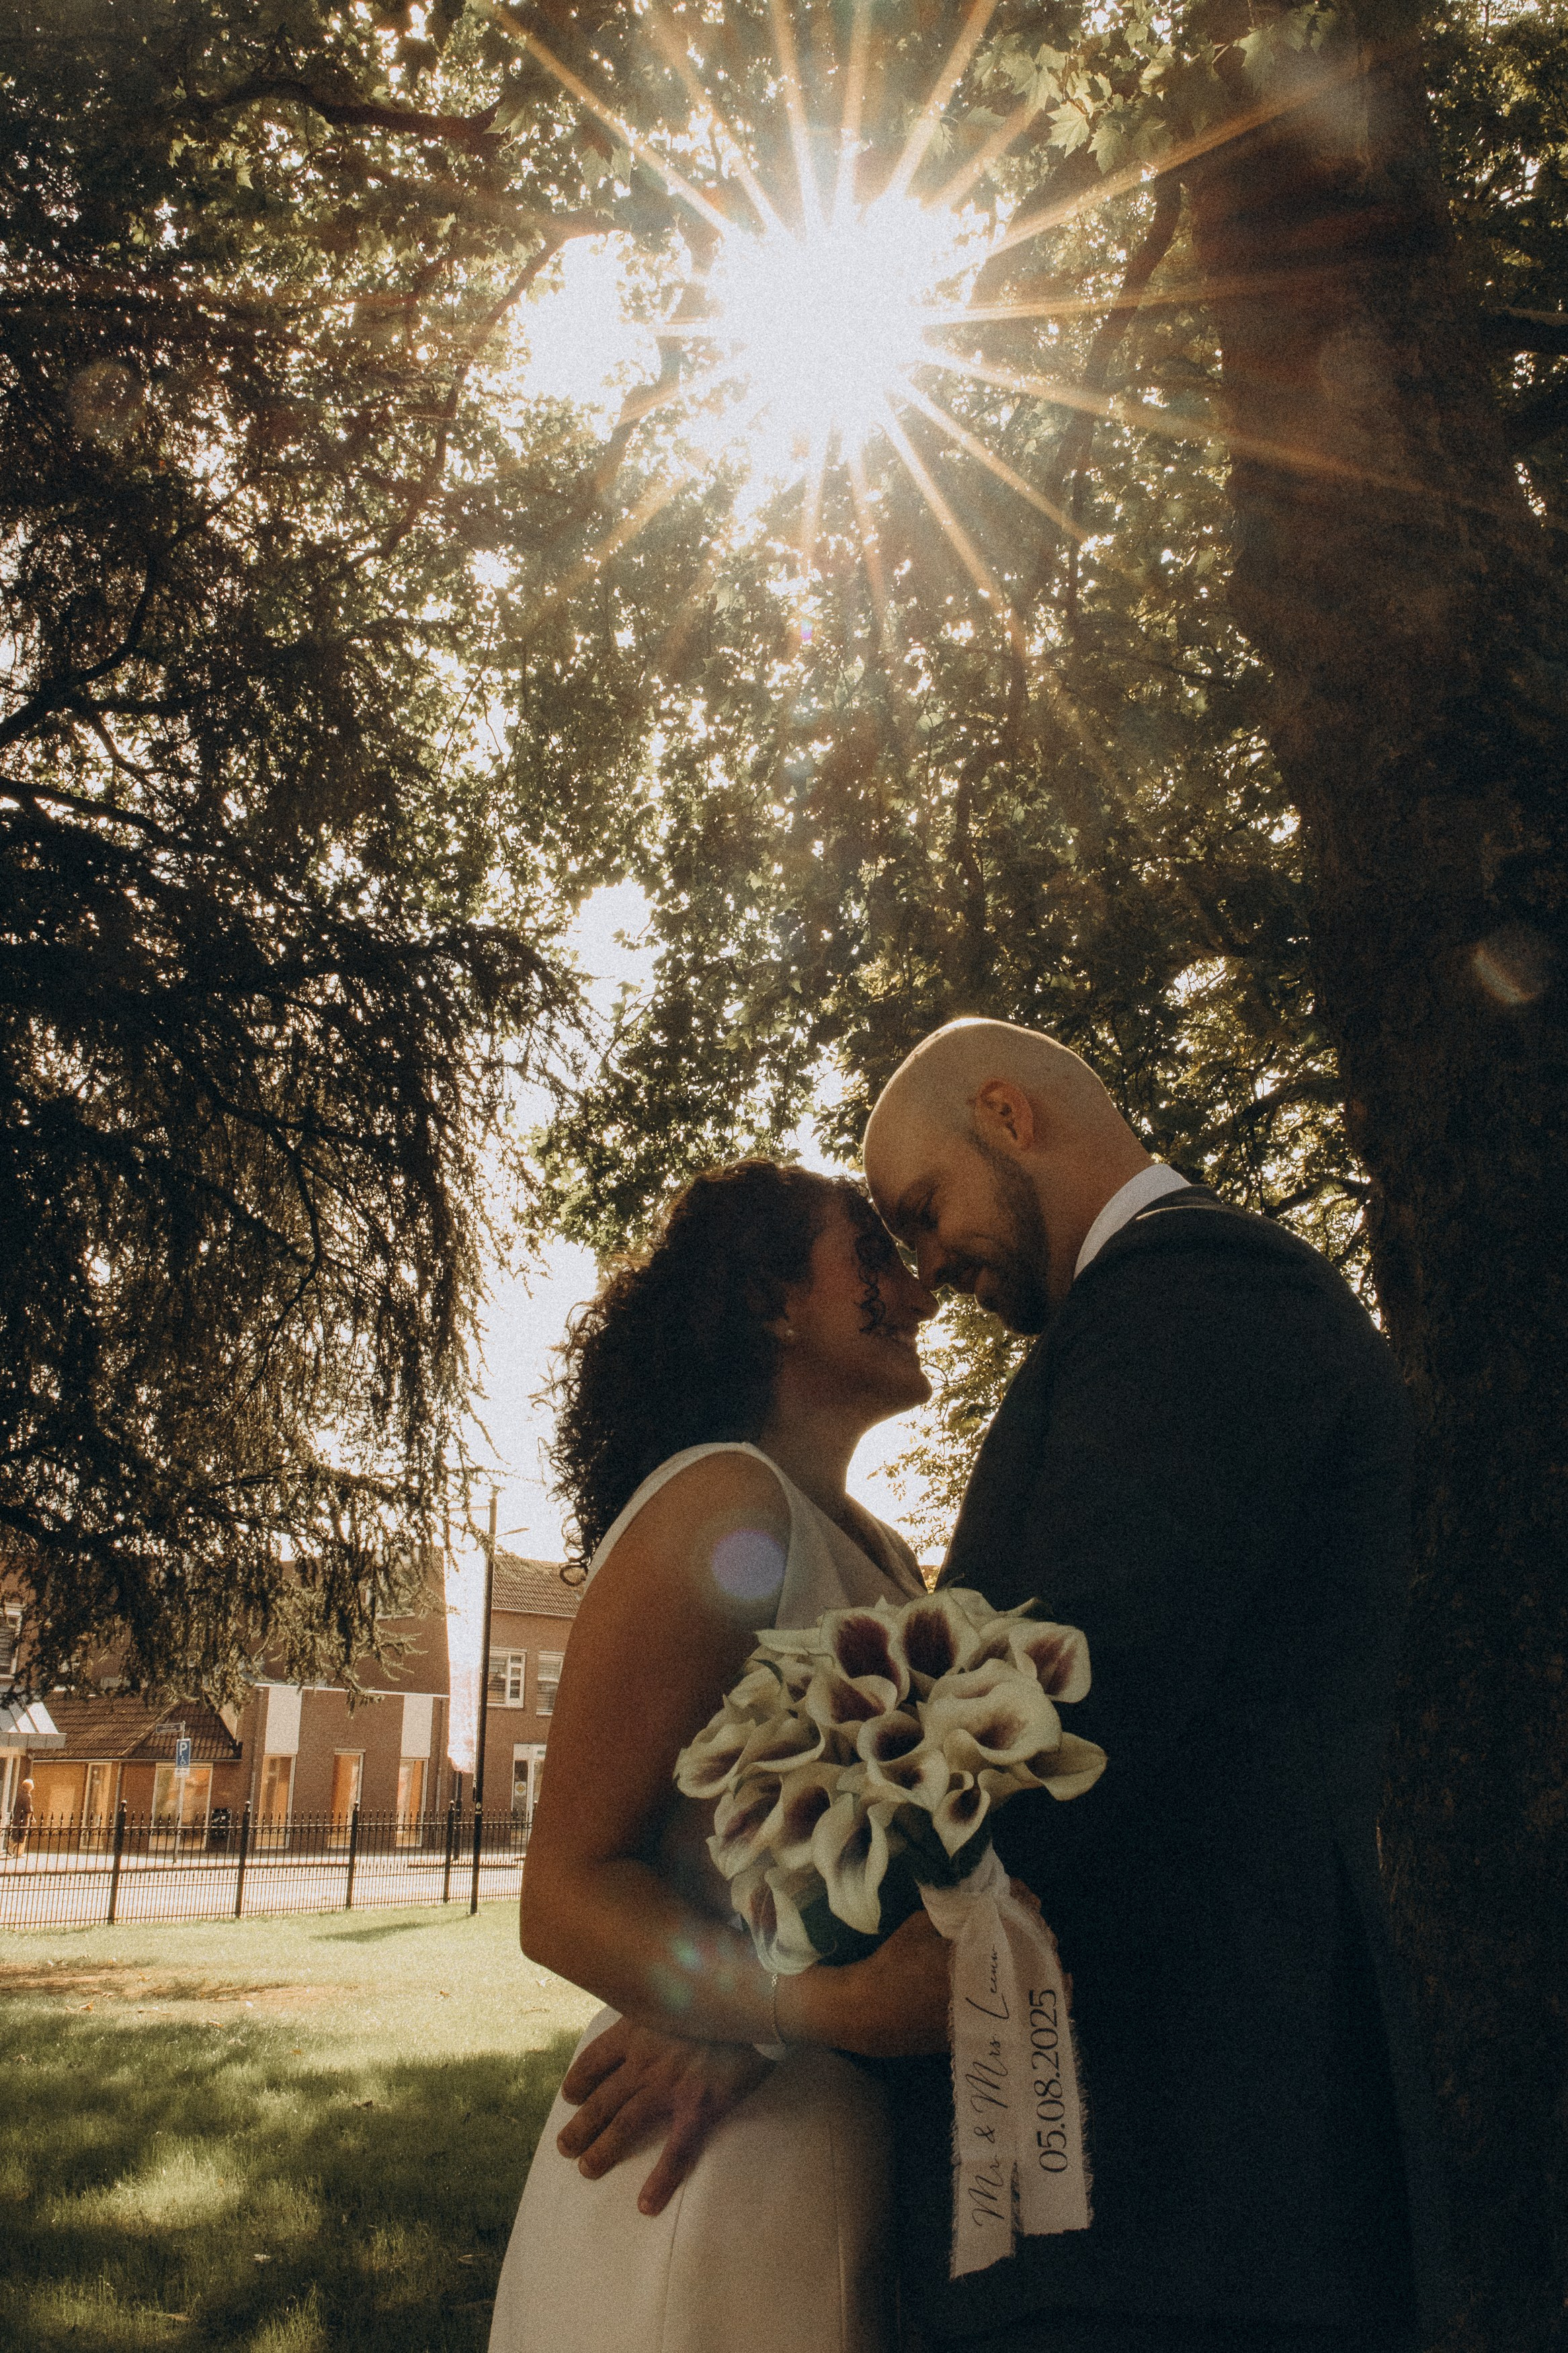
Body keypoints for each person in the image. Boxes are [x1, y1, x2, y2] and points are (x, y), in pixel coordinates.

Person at [860, 1018, 1449, 2353]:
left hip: (1187, 2188)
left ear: (1005, 1113)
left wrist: (786, 1999)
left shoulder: (1198, 1294)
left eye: (921, 1208)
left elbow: (1060, 1709)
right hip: (1159, 2205)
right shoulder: (1149, 1315)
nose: (927, 1266)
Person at [488, 1158, 949, 2353]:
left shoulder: (888, 1553)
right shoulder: (722, 1504)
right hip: (704, 2170)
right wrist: (801, 2004)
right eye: (874, 1259)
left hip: (840, 2135)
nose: (922, 1293)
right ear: (772, 1298)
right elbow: (563, 1891)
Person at [9, 1773, 34, 1854]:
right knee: (22, 1834)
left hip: (17, 1816)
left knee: (16, 1832)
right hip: (23, 1818)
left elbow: (16, 1806)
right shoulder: (28, 1796)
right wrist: (32, 1817)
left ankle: (12, 1849)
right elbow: (28, 1808)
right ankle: (17, 1852)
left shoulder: (19, 1795)